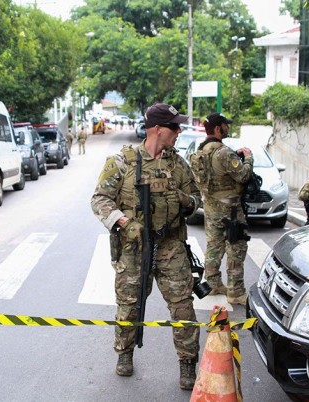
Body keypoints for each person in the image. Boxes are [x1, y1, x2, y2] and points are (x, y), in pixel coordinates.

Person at [91, 103, 201, 389]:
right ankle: (124, 354)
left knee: (182, 307)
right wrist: (125, 222)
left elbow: (196, 200)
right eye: (174, 127)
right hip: (134, 247)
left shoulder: (178, 164)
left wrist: (184, 200)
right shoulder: (122, 162)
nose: (179, 132)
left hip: (170, 245)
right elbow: (100, 200)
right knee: (128, 306)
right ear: (156, 129)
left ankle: (188, 364)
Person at [189, 113, 253, 306]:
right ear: (217, 129)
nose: (227, 128)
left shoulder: (201, 152)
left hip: (210, 207)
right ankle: (235, 291)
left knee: (214, 246)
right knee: (236, 247)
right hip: (230, 209)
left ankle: (213, 283)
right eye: (225, 125)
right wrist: (248, 159)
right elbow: (242, 176)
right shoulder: (224, 152)